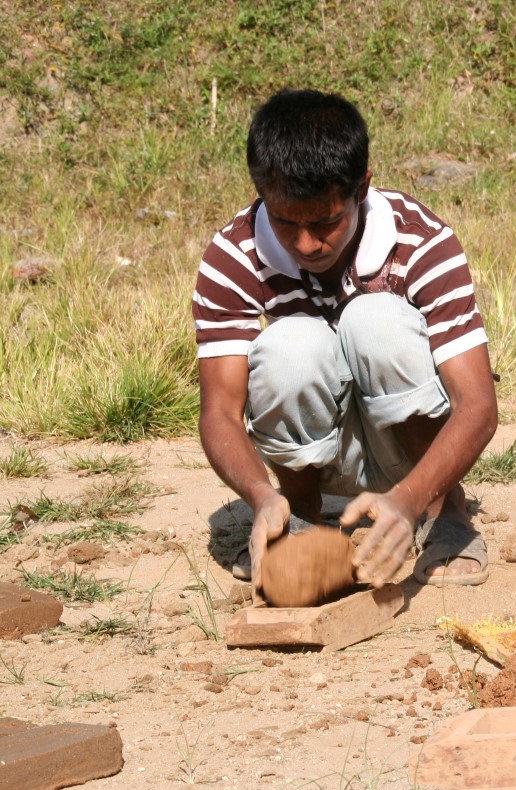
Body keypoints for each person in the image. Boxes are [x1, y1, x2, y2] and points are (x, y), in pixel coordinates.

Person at [193, 88, 496, 592]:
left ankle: (445, 513)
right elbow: (220, 412)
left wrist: (409, 499)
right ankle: (300, 519)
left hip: (414, 460)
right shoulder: (233, 256)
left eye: (325, 222)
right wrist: (261, 497)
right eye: (286, 222)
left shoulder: (421, 240)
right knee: (290, 345)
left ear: (361, 188)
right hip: (318, 457)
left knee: (375, 319)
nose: (307, 243)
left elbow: (478, 404)